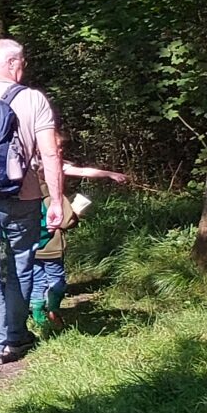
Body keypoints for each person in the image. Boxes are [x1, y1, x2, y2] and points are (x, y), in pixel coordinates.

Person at [0, 37, 73, 366]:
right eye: (21, 62)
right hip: (26, 194)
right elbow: (50, 153)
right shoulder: (33, 99)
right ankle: (16, 335)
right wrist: (56, 201)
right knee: (22, 264)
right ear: (12, 63)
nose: (23, 67)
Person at [28, 134, 130, 330]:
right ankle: (48, 312)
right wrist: (71, 213)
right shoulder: (35, 170)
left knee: (39, 277)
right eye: (57, 146)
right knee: (50, 277)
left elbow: (84, 171)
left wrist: (109, 173)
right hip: (46, 229)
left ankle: (42, 314)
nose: (60, 150)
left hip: (37, 232)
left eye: (61, 147)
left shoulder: (52, 165)